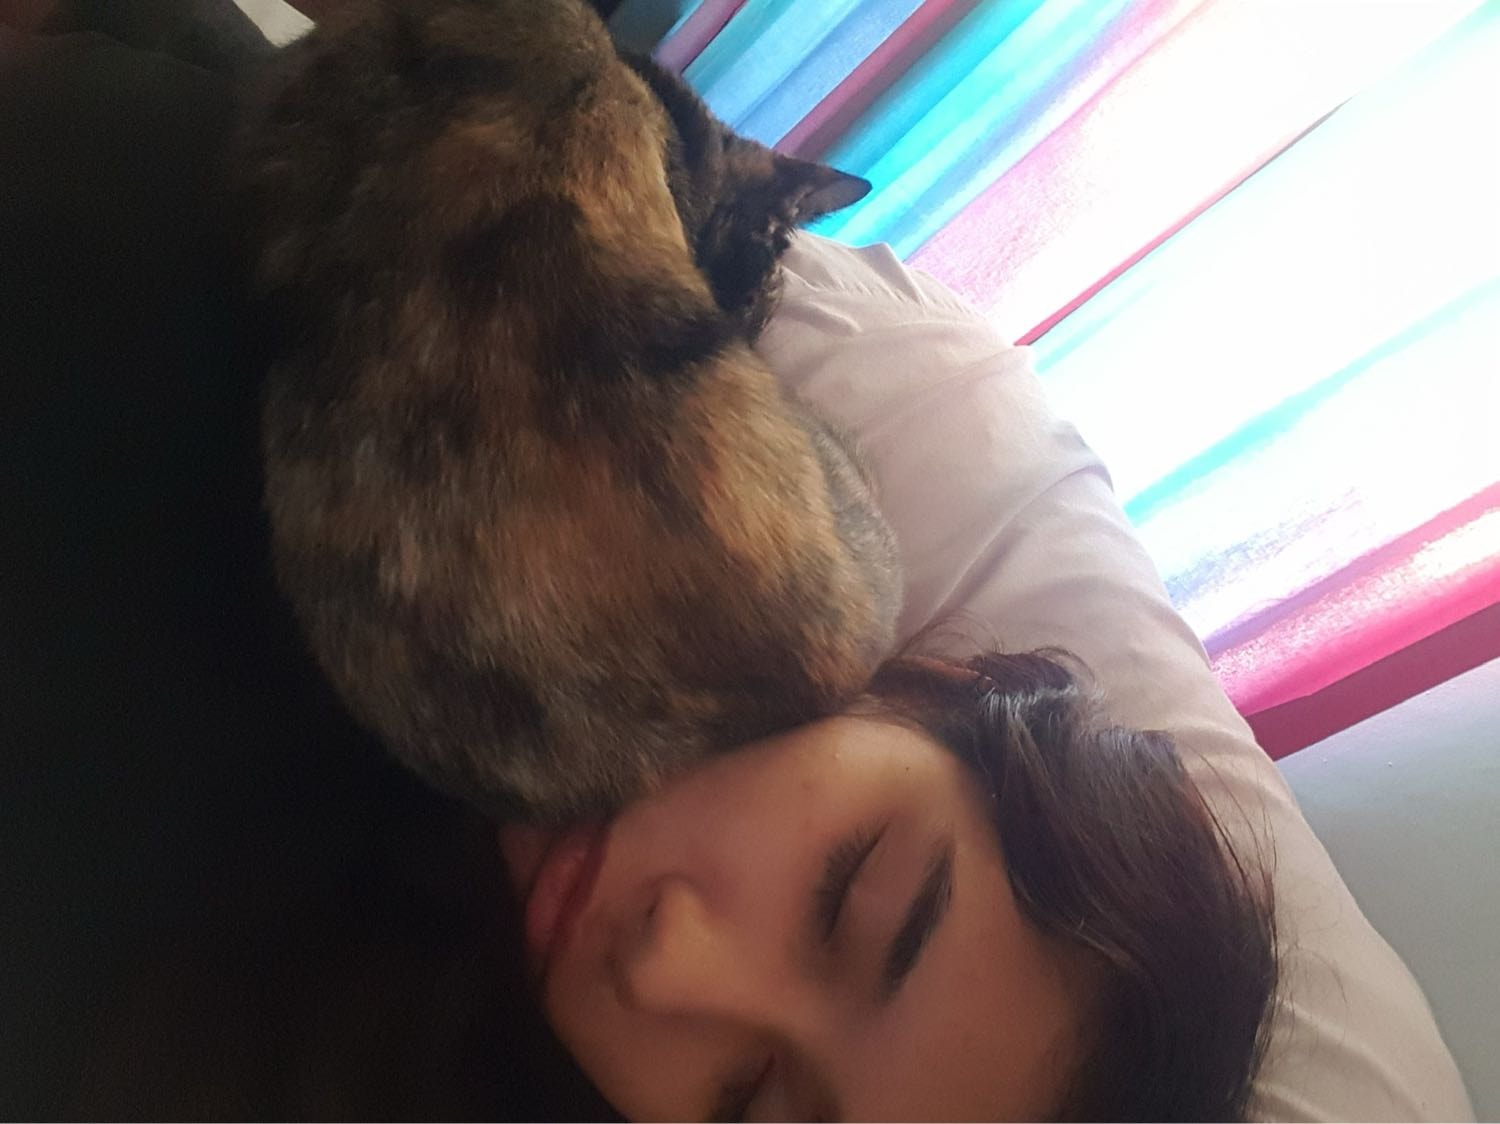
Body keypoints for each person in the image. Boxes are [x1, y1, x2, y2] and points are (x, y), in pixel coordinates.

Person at [0, 6, 1472, 1121]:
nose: (669, 966)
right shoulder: (169, 271)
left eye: (753, 1108)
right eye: (850, 893)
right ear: (920, 689)